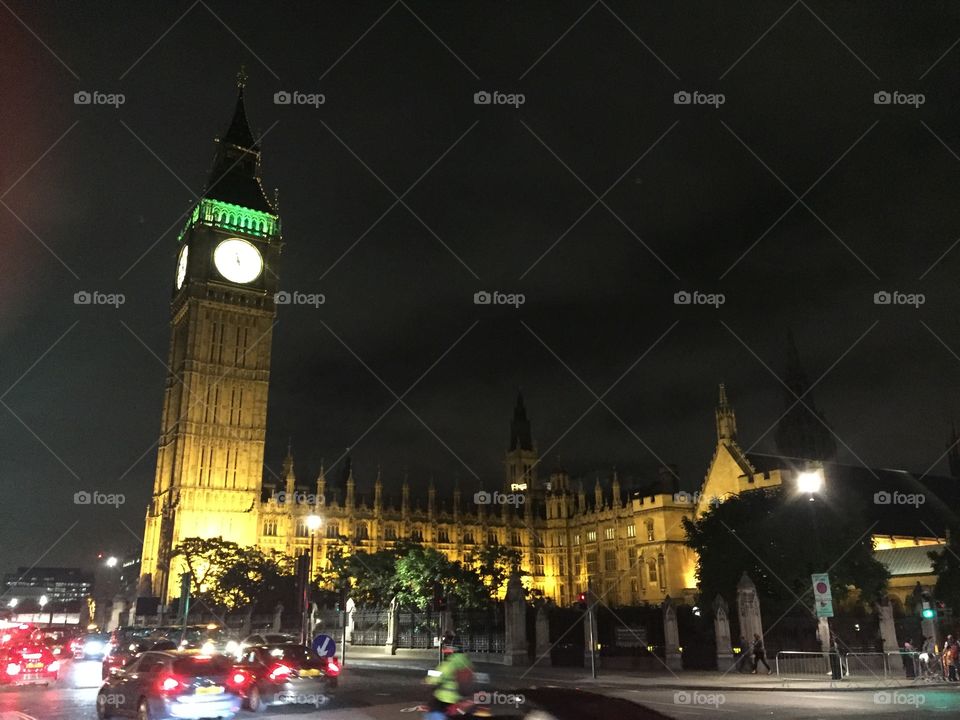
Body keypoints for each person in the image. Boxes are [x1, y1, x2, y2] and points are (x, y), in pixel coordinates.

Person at [426, 639, 476, 718]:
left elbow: (437, 677)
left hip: (447, 699)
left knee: (433, 711)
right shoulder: (467, 662)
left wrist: (429, 680)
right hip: (462, 698)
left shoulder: (450, 663)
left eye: (447, 647)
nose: (444, 650)